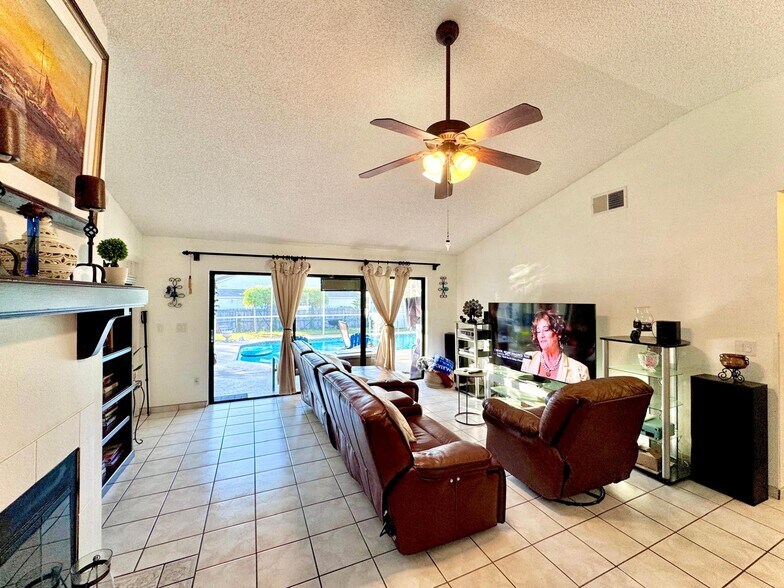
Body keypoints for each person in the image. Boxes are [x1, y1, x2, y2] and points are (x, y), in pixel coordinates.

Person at [520, 309, 590, 383]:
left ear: (558, 334)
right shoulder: (528, 359)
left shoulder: (580, 371)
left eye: (546, 330)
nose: (541, 335)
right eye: (538, 331)